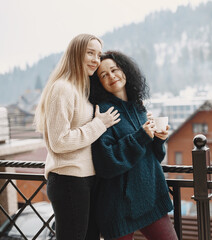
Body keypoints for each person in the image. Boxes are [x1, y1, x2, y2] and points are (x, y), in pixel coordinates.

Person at [34, 34, 120, 240]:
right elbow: (59, 141)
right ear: (75, 54)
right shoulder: (62, 88)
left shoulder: (82, 90)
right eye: (90, 53)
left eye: (98, 55)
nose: (95, 60)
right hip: (68, 180)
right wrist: (98, 125)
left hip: (86, 179)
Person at [89, 50, 178, 240]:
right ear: (99, 83)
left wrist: (158, 139)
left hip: (150, 198)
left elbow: (153, 157)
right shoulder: (104, 112)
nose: (111, 76)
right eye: (104, 75)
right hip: (118, 206)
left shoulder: (139, 107)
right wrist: (140, 137)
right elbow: (106, 162)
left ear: (125, 70)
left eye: (114, 69)